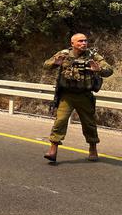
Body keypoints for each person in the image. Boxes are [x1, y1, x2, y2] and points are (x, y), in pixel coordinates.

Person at [43, 33, 113, 162]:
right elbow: (46, 65)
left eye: (85, 41)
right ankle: (53, 149)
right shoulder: (64, 54)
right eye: (80, 41)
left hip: (84, 96)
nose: (84, 43)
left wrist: (99, 69)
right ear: (72, 43)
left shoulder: (92, 55)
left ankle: (93, 149)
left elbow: (109, 69)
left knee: (89, 124)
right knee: (60, 121)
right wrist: (55, 63)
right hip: (67, 95)